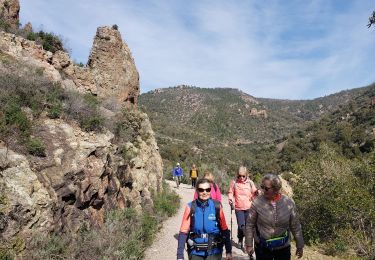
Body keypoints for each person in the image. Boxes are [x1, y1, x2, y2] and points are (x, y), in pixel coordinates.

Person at [245, 173, 304, 260]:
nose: (263, 190)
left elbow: (295, 225)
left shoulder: (288, 203)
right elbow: (250, 225)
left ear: (276, 189)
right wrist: (249, 244)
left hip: (283, 248)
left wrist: (300, 245)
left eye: (266, 188)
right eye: (262, 187)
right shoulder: (257, 202)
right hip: (263, 247)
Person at [177, 178, 232, 260]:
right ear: (197, 191)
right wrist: (179, 255)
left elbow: (224, 229)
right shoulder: (190, 207)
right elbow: (183, 232)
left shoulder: (217, 206)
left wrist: (228, 251)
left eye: (207, 189)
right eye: (201, 190)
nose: (205, 192)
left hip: (214, 251)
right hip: (195, 251)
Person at [228, 166, 258, 250]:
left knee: (248, 226)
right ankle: (240, 239)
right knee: (241, 226)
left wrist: (256, 194)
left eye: (243, 176)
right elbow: (230, 192)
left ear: (246, 175)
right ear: (237, 175)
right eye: (239, 176)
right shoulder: (234, 182)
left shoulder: (250, 183)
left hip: (249, 208)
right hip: (239, 208)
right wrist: (230, 200)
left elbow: (254, 192)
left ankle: (246, 243)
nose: (241, 178)